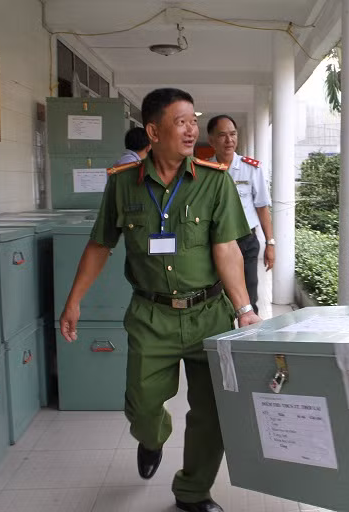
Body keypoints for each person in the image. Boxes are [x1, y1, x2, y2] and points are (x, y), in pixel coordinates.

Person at [59, 88, 258, 512]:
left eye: (193, 121)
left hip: (209, 314)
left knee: (212, 414)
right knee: (143, 406)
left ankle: (192, 492)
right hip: (151, 316)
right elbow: (100, 245)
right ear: (153, 131)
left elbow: (227, 248)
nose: (191, 131)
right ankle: (151, 439)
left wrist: (244, 309)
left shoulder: (214, 180)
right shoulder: (122, 184)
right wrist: (74, 300)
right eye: (180, 122)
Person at [207, 115, 275, 315]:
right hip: (215, 242)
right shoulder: (204, 171)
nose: (229, 140)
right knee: (218, 298)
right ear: (211, 140)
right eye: (222, 135)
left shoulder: (251, 168)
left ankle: (250, 334)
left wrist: (270, 243)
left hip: (246, 241)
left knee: (249, 300)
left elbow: (262, 207)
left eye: (233, 134)